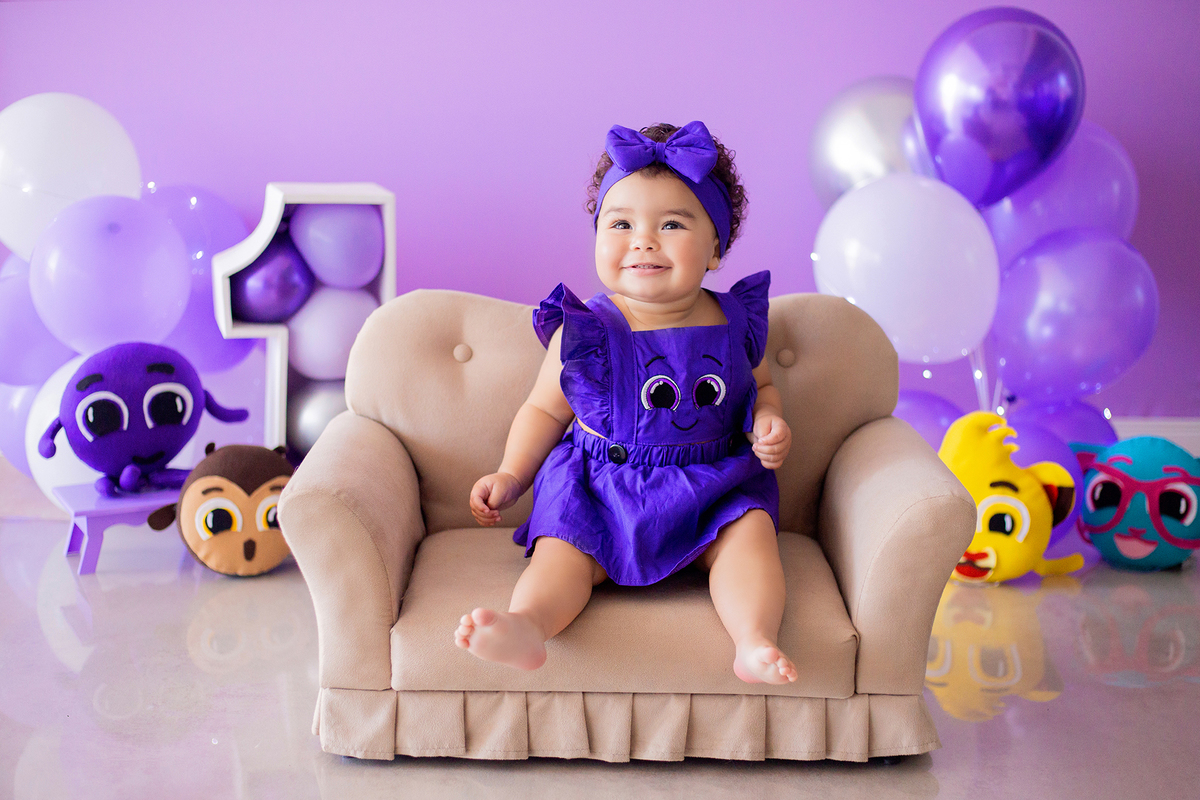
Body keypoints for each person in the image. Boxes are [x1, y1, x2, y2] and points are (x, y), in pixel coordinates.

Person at [456, 121, 796, 684]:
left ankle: (753, 638)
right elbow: (545, 410)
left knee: (750, 534)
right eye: (621, 223)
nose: (644, 239)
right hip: (601, 486)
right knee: (563, 550)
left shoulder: (738, 321)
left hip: (713, 482)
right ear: (597, 239)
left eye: (671, 224)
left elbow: (761, 386)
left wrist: (768, 419)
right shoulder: (586, 330)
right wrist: (512, 475)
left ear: (715, 248)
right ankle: (527, 626)